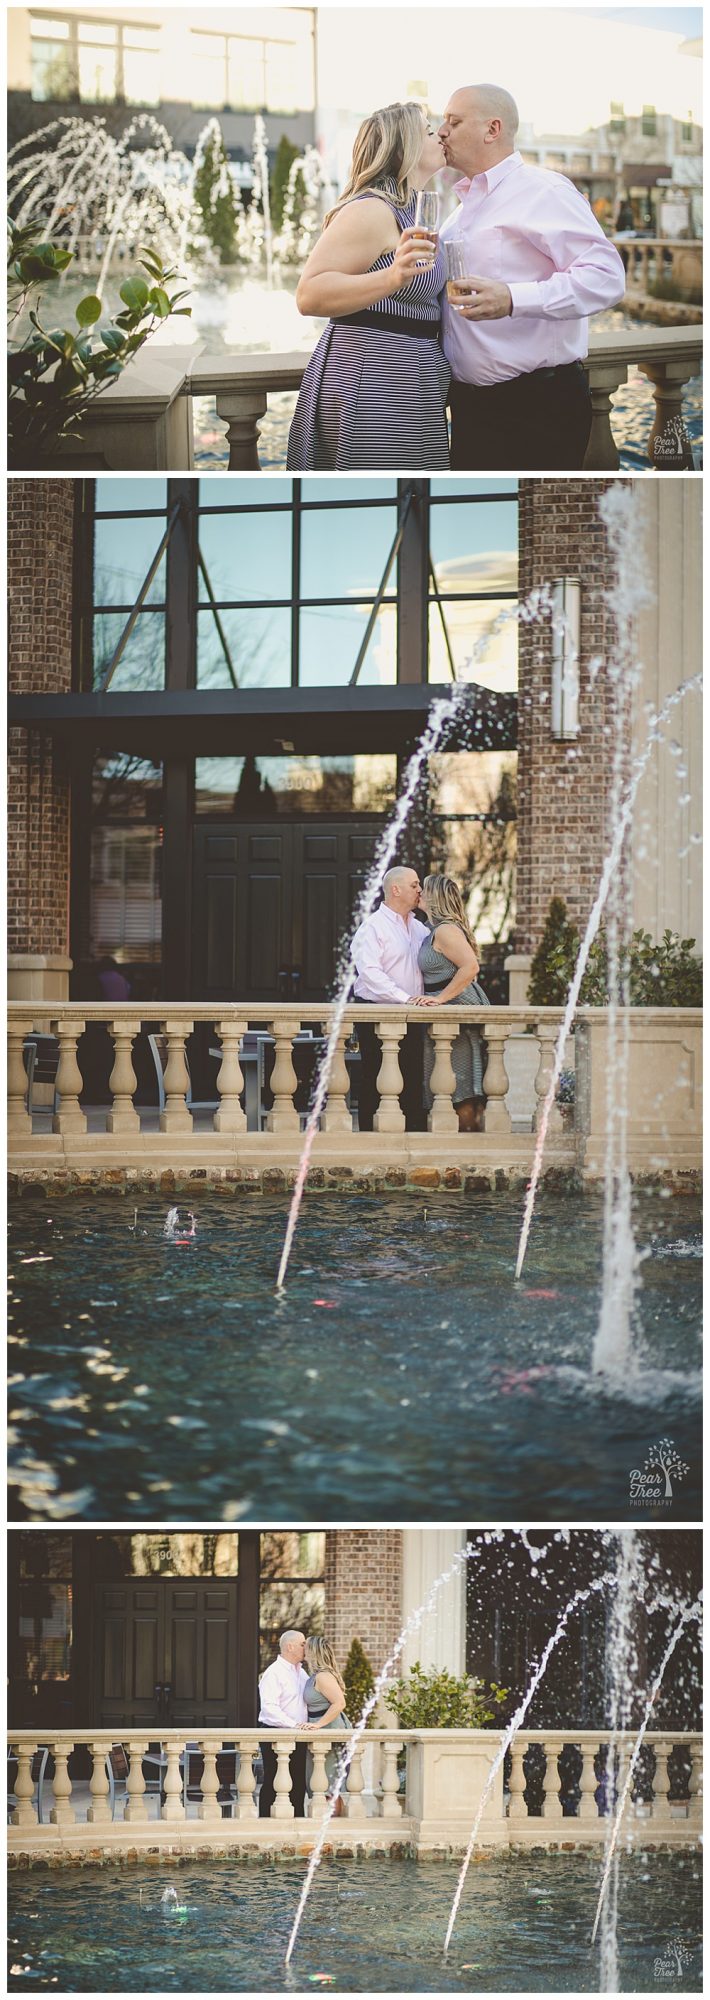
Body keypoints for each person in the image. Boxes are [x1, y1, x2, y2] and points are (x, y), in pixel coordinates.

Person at [438, 84, 626, 470]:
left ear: (493, 130)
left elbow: (606, 277)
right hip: (471, 408)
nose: (442, 132)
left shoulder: (545, 190)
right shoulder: (458, 213)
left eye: (454, 122)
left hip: (537, 406)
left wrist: (512, 298)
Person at [287, 102, 451, 469]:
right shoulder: (372, 210)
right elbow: (309, 294)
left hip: (412, 384)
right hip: (371, 382)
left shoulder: (414, 209)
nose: (439, 134)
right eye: (428, 130)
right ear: (401, 149)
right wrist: (392, 277)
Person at [351, 865, 431, 1131]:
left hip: (414, 1014)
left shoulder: (420, 929)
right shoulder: (372, 928)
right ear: (395, 889)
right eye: (414, 885)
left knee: (413, 1076)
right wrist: (404, 998)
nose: (420, 890)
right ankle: (370, 1139)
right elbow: (370, 973)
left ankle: (413, 1138)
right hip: (377, 1012)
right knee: (375, 1075)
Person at [417, 873, 490, 1132]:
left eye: (422, 888)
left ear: (434, 896)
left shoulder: (446, 930)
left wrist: (440, 999)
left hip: (458, 1005)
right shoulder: (434, 929)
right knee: (448, 1079)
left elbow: (470, 967)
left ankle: (468, 1146)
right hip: (446, 1006)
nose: (418, 892)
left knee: (462, 1082)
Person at [258, 1628, 308, 1818]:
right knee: (273, 1780)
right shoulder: (274, 1673)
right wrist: (294, 1725)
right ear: (290, 1646)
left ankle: (298, 1823)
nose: (306, 1647)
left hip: (298, 1734)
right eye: (303, 1644)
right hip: (275, 1733)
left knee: (298, 1782)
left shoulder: (302, 1673)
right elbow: (269, 1708)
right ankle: (265, 1823)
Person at [303, 1637, 352, 1815]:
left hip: (329, 1731)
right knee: (319, 1783)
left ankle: (333, 1829)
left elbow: (339, 1703)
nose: (302, 1648)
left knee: (330, 1784)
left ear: (313, 1651)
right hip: (320, 1731)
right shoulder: (313, 1676)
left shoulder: (323, 1676)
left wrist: (319, 1725)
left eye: (305, 1645)